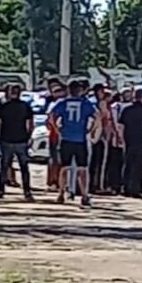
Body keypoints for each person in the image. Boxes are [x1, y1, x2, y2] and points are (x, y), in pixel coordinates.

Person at [51, 79, 98, 207]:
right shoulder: (85, 103)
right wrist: (91, 130)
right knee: (82, 169)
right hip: (80, 139)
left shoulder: (63, 103)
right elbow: (97, 116)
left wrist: (57, 129)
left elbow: (51, 116)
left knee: (64, 167)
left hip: (66, 138)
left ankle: (61, 193)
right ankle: (84, 195)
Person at [0, 83, 34, 202]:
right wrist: (29, 136)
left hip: (6, 139)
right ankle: (27, 191)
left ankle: (1, 191)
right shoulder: (25, 106)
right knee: (24, 167)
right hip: (21, 139)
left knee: (4, 166)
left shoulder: (4, 106)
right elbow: (30, 123)